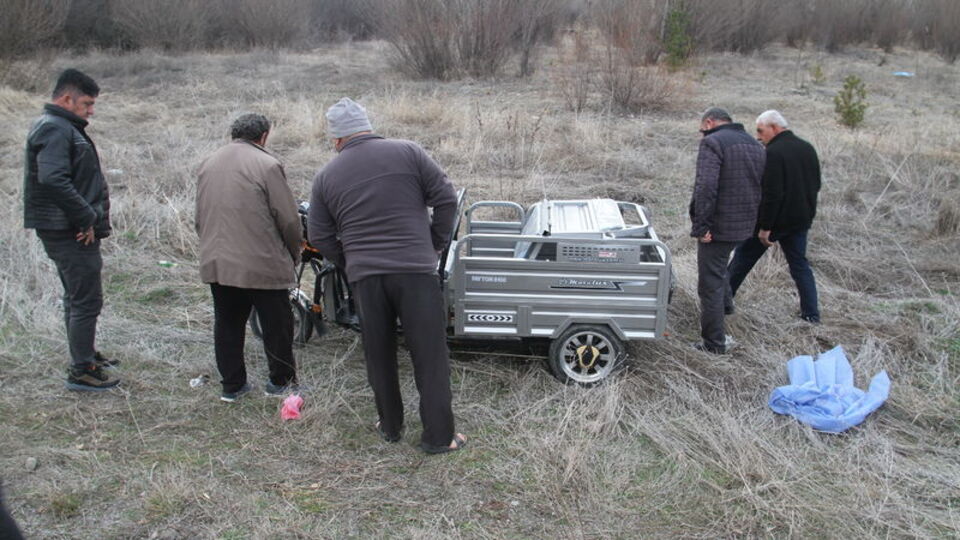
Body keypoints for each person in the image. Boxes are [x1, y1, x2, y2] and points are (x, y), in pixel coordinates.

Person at [308, 97, 466, 454]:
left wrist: (351, 262)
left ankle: (390, 427)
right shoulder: (408, 152)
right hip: (415, 271)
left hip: (366, 279)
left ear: (336, 140)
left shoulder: (325, 177)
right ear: (368, 127)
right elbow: (446, 199)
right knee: (430, 355)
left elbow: (318, 236)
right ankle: (439, 439)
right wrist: (436, 243)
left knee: (378, 353)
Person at [23, 68, 120, 391]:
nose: (92, 111)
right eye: (87, 104)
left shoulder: (62, 126)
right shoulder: (55, 129)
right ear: (66, 98)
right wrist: (86, 218)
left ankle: (86, 353)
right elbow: (53, 179)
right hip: (68, 230)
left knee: (77, 297)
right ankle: (82, 370)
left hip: (67, 226)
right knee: (86, 300)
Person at [195, 113, 301, 403]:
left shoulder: (208, 162)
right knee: (277, 324)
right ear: (264, 136)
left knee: (227, 323)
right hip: (262, 262)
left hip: (218, 261)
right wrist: (295, 251)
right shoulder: (267, 165)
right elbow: (289, 220)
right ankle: (281, 383)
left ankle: (232, 386)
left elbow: (199, 216)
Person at [726, 110, 822, 323]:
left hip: (775, 222)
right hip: (800, 221)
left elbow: (772, 194)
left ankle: (722, 302)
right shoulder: (807, 148)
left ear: (775, 128)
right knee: (800, 266)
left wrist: (765, 228)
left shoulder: (773, 152)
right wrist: (808, 214)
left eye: (761, 130)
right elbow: (816, 185)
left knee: (742, 258)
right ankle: (811, 314)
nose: (758, 136)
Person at [689, 107, 765, 354]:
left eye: (702, 130)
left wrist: (702, 226)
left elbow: (706, 187)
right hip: (744, 225)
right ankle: (726, 312)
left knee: (709, 284)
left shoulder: (713, 143)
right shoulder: (754, 144)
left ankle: (713, 344)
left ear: (709, 123)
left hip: (717, 228)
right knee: (720, 269)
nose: (702, 136)